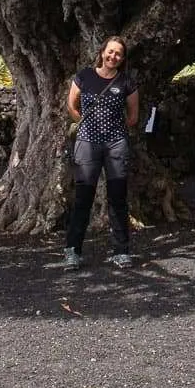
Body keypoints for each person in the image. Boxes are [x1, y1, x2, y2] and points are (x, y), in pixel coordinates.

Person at [63, 35, 140, 268]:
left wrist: (114, 130)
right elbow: (72, 106)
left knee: (118, 197)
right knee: (83, 197)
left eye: (118, 54)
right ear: (102, 52)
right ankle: (73, 251)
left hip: (116, 145)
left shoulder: (127, 82)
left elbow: (133, 117)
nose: (113, 56)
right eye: (110, 51)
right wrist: (85, 124)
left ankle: (121, 251)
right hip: (87, 143)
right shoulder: (84, 76)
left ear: (122, 58)